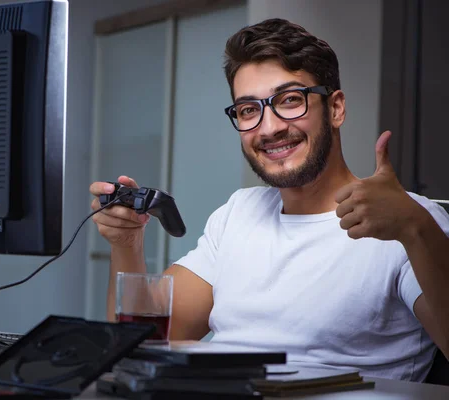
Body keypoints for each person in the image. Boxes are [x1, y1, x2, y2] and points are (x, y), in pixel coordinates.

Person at [89, 18, 449, 382]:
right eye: (248, 110)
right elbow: (139, 346)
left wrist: (416, 228)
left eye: (290, 100)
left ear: (336, 108)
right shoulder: (239, 213)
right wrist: (127, 243)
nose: (269, 127)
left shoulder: (409, 221)